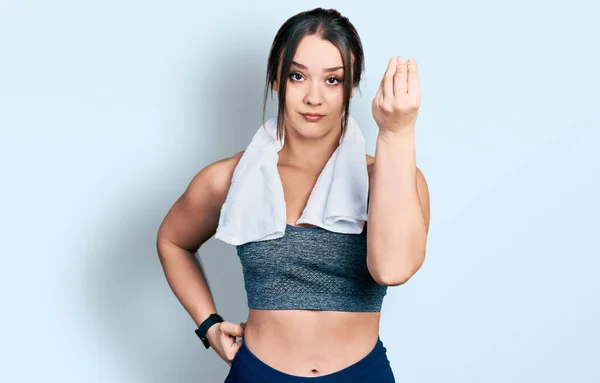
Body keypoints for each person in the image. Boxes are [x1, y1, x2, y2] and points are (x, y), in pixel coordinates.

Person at [156, 7, 430, 382]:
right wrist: (209, 326)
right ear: (276, 81)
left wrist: (397, 134)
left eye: (333, 80)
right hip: (257, 374)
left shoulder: (389, 177)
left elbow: (392, 269)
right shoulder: (232, 178)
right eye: (297, 76)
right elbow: (173, 241)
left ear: (351, 86)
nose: (313, 97)